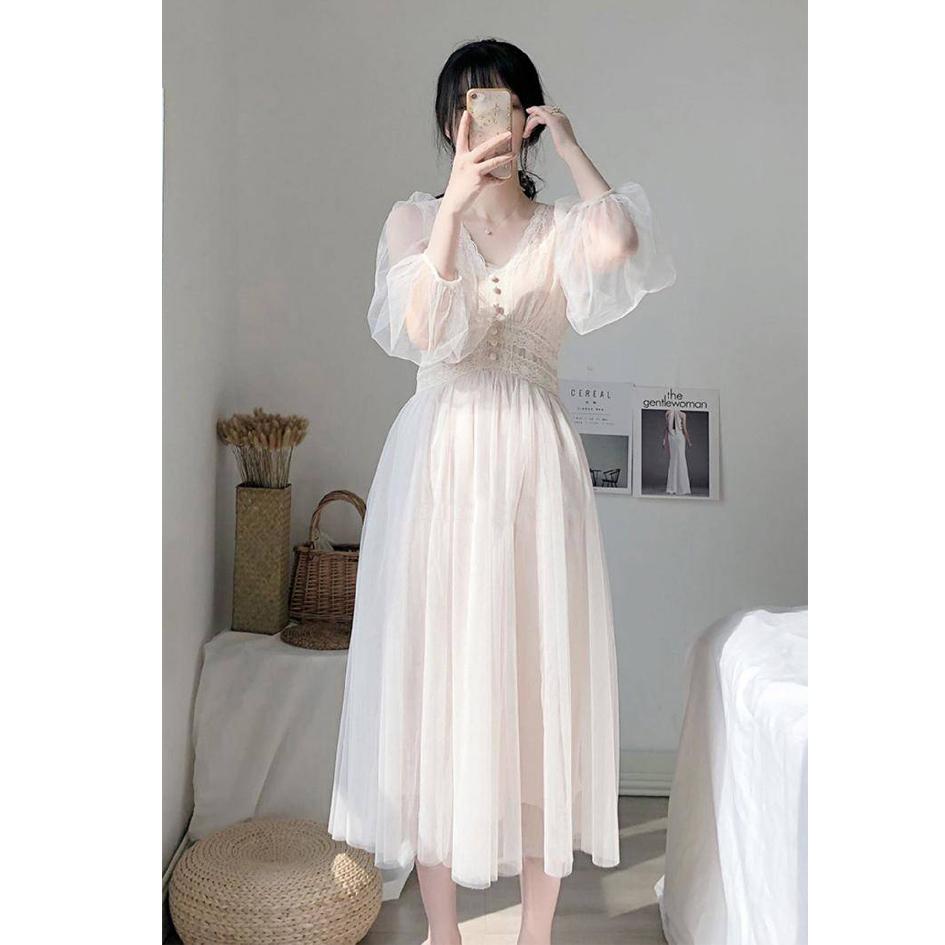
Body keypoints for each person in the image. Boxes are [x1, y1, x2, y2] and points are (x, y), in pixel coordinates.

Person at [328, 38, 676, 945]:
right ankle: (443, 931)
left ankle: (535, 931)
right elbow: (420, 326)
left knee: (537, 687)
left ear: (525, 120)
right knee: (435, 686)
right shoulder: (415, 219)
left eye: (502, 105)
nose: (482, 122)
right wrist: (452, 202)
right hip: (438, 468)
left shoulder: (560, 229)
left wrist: (572, 144)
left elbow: (620, 242)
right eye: (467, 107)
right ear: (449, 123)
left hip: (532, 470)